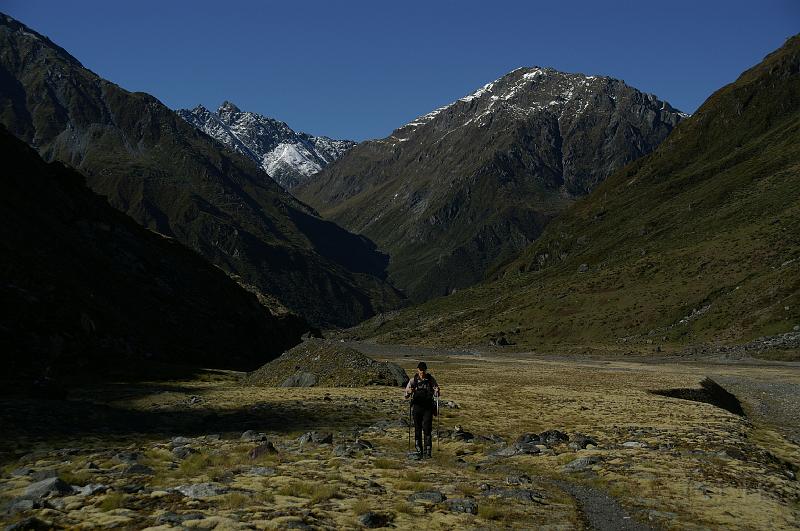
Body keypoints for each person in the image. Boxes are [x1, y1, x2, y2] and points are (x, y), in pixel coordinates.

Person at [404, 361, 440, 458]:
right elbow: (406, 395)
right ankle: (418, 449)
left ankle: (427, 451)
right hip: (417, 408)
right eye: (420, 371)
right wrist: (408, 392)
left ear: (425, 370)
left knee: (427, 429)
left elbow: (437, 392)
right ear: (417, 370)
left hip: (428, 408)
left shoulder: (430, 379)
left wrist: (437, 391)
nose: (422, 373)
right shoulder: (413, 380)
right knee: (418, 429)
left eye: (423, 371)